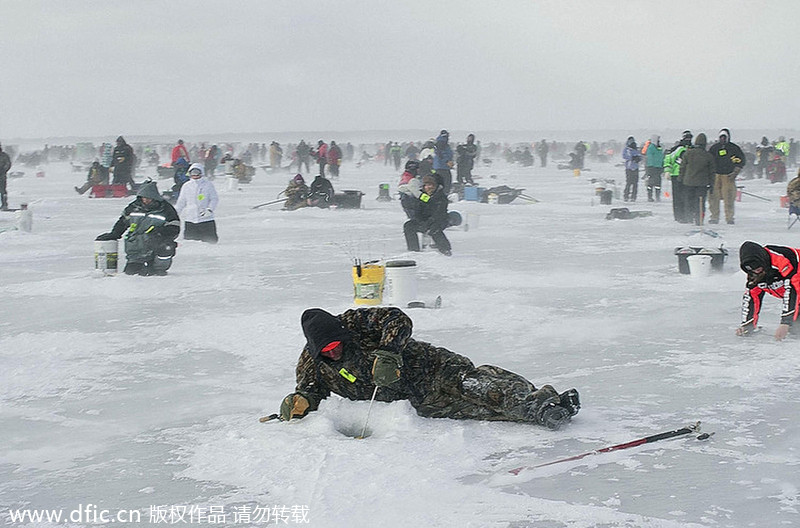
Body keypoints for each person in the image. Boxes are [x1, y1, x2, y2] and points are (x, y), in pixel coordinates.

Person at [277, 307, 581, 430]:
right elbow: (309, 390)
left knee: (478, 388)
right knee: (476, 410)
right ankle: (538, 415)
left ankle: (542, 403)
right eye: (327, 351)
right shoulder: (312, 361)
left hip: (433, 367)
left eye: (337, 344)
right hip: (417, 399)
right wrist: (301, 401)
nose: (335, 351)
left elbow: (397, 319)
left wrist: (388, 353)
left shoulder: (355, 323)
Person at [95, 181, 180, 276]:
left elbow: (175, 227)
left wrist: (161, 234)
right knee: (131, 273)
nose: (146, 200)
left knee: (165, 250)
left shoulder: (165, 208)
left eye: (149, 198)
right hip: (135, 249)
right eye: (144, 198)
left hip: (155, 247)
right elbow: (122, 222)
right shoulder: (133, 207)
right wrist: (115, 233)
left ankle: (158, 268)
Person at [736, 241, 800, 341]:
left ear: (762, 260)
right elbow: (752, 297)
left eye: (759, 268)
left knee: (794, 329)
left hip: (797, 285)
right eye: (753, 270)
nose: (757, 271)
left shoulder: (782, 259)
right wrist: (747, 325)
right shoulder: (754, 274)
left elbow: (793, 288)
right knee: (794, 330)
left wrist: (785, 323)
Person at [403, 174, 452, 256]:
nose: (428, 187)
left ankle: (445, 249)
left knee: (434, 229)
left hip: (439, 220)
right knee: (409, 225)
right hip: (424, 220)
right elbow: (417, 212)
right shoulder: (423, 196)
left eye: (431, 185)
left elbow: (439, 213)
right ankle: (413, 249)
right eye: (426, 185)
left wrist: (428, 223)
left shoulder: (441, 197)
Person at [708, 128, 746, 225]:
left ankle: (729, 217)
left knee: (729, 198)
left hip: (729, 176)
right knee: (713, 198)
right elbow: (709, 161)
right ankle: (714, 217)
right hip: (716, 176)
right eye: (721, 137)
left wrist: (736, 171)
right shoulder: (714, 148)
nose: (723, 139)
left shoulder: (734, 148)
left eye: (724, 137)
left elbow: (741, 160)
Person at [175, 163, 219, 243]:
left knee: (210, 242)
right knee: (191, 243)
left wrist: (210, 209)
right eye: (192, 173)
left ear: (201, 173)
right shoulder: (186, 186)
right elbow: (181, 202)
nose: (195, 175)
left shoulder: (208, 185)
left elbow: (214, 199)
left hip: (206, 220)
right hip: (190, 219)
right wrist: (175, 214)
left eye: (197, 172)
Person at [679, 133, 715, 226]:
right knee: (700, 203)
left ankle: (689, 218)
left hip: (688, 182)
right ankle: (699, 220)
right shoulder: (708, 156)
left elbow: (682, 167)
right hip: (702, 183)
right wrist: (712, 185)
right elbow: (712, 172)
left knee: (689, 201)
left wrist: (680, 179)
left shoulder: (688, 153)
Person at [663, 131, 692, 223]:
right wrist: (667, 171)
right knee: (678, 197)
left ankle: (688, 216)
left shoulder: (692, 149)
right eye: (686, 138)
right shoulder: (676, 149)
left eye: (690, 138)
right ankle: (679, 216)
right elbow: (668, 160)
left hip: (688, 176)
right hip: (676, 175)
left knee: (688, 197)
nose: (688, 140)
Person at [643, 135, 664, 202]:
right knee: (651, 183)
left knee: (658, 183)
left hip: (658, 167)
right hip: (652, 167)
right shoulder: (651, 147)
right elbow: (650, 157)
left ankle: (657, 196)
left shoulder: (659, 148)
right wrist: (650, 167)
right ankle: (650, 196)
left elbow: (661, 157)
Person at [432, 130, 454, 194]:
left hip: (441, 166)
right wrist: (447, 161)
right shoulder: (442, 142)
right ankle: (443, 195)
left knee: (442, 181)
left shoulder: (441, 142)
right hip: (442, 166)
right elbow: (441, 154)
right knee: (446, 182)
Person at [622, 137, 641, 202]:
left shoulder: (636, 149)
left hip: (635, 168)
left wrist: (638, 158)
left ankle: (633, 197)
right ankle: (626, 196)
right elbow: (624, 156)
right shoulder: (627, 149)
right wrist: (632, 157)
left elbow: (639, 155)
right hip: (629, 168)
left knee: (635, 183)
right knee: (629, 183)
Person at [0, 143, 13, 210]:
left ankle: (4, 204)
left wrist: (3, 171)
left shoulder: (4, 156)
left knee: (2, 191)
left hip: (2, 176)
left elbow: (8, 164)